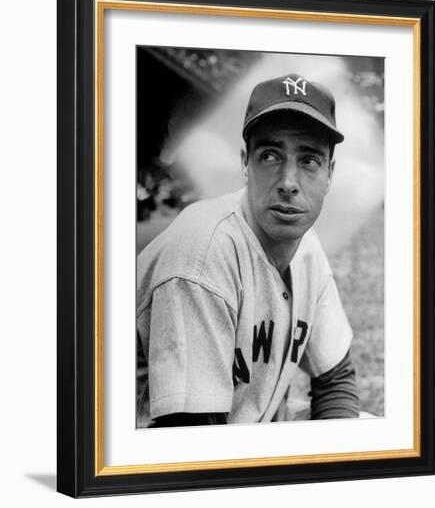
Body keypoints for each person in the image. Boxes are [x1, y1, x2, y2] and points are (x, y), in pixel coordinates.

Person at [136, 72, 359, 428]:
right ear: (245, 163)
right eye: (270, 156)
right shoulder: (202, 258)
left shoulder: (306, 248)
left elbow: (336, 379)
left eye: (308, 160)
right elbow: (189, 440)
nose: (288, 183)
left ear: (329, 173)